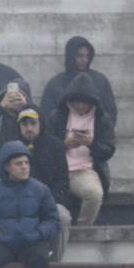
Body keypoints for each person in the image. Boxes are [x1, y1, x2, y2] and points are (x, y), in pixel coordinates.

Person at [47, 72, 116, 227]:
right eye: (76, 102)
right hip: (58, 170)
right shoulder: (57, 116)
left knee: (94, 194)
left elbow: (109, 150)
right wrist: (65, 144)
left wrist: (91, 143)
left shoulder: (102, 119)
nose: (80, 106)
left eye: (84, 102)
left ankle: (83, 230)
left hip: (85, 171)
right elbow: (46, 146)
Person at [16, 107, 72, 261]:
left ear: (40, 124)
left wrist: (48, 203)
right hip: (18, 201)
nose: (29, 128)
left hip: (49, 200)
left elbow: (62, 181)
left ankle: (56, 262)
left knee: (62, 216)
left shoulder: (55, 146)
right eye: (24, 124)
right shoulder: (11, 146)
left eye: (33, 123)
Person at [40, 36, 118, 128]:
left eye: (87, 56)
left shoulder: (100, 81)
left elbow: (110, 113)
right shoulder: (55, 83)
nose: (84, 60)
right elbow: (46, 115)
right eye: (79, 55)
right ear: (71, 56)